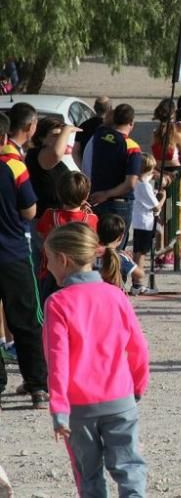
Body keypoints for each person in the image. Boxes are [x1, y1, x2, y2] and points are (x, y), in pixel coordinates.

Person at [42, 223, 149, 497]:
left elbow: (58, 361)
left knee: (88, 475)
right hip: (120, 398)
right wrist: (138, 385)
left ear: (63, 260)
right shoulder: (116, 295)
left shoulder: (57, 303)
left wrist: (59, 408)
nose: (47, 266)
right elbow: (137, 346)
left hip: (79, 407)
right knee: (130, 467)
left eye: (49, 259)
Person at [0, 113, 48, 410]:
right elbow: (30, 210)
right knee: (27, 320)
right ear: (5, 137)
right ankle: (38, 385)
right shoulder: (14, 166)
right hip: (13, 253)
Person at [85, 104, 143, 250]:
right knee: (115, 251)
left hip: (96, 199)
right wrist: (107, 194)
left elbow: (105, 122)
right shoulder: (131, 146)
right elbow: (130, 183)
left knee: (97, 248)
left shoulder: (100, 135)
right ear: (131, 123)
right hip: (119, 204)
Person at [35, 172, 99, 301]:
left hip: (51, 272)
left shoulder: (49, 215)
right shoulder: (91, 219)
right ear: (86, 196)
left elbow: (40, 234)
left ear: (59, 193)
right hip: (80, 273)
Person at [25, 117, 77, 217]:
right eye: (56, 135)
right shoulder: (38, 154)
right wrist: (67, 130)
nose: (61, 139)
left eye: (61, 135)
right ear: (41, 138)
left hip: (55, 218)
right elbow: (56, 154)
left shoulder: (46, 156)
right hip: (42, 221)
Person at [131, 154, 165, 296]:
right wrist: (162, 197)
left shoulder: (136, 182)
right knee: (141, 254)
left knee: (138, 251)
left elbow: (146, 179)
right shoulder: (144, 186)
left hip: (139, 221)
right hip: (145, 222)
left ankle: (136, 283)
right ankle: (138, 284)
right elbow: (156, 207)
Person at [95, 215, 140, 292]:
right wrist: (131, 261)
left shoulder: (91, 254)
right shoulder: (121, 257)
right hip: (116, 295)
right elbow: (140, 274)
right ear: (121, 238)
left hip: (96, 294)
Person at [151, 98, 181, 179]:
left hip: (159, 171)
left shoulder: (155, 134)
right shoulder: (176, 135)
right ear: (174, 113)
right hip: (175, 172)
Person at [73, 96, 112, 165]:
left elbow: (75, 152)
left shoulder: (83, 126)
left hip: (87, 169)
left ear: (94, 108)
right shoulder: (113, 127)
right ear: (110, 108)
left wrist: (82, 168)